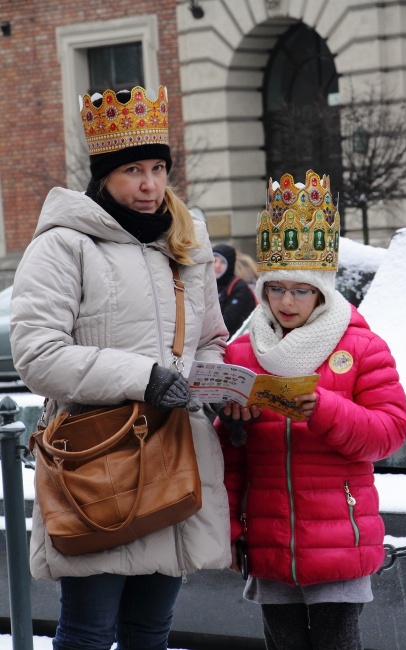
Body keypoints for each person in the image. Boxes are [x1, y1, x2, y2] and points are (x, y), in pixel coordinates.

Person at [10, 85, 231, 650]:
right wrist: (146, 378)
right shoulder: (63, 246)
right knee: (87, 633)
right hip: (98, 462)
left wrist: (214, 379)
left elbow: (210, 337)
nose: (150, 184)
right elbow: (37, 354)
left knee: (150, 633)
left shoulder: (186, 242)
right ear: (104, 175)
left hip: (177, 454)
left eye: (158, 168)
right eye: (133, 169)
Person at [214, 170, 406, 650]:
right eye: (275, 288)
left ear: (322, 290)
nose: (284, 301)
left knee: (337, 642)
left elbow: (390, 431)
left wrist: (323, 408)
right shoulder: (242, 351)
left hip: (340, 533)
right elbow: (230, 457)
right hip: (266, 533)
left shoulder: (362, 347)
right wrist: (233, 424)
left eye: (300, 290)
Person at [213, 243, 257, 338]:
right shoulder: (206, 284)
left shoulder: (239, 287)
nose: (217, 265)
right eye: (214, 260)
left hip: (233, 341)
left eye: (222, 262)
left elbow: (229, 322)